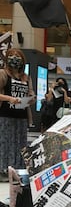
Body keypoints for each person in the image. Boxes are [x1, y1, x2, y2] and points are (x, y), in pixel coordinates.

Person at [0, 48, 36, 182]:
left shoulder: (26, 77)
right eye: (12, 56)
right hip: (5, 114)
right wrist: (9, 98)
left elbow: (31, 93)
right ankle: (4, 170)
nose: (15, 58)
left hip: (21, 115)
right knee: (5, 142)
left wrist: (31, 98)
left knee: (20, 143)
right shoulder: (3, 74)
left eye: (17, 56)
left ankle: (18, 169)